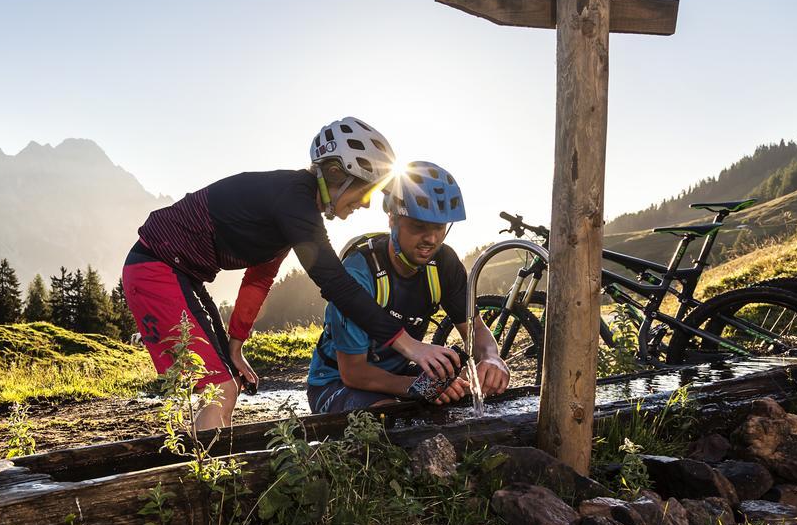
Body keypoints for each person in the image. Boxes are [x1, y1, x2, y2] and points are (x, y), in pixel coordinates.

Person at [123, 118, 462, 430]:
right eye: (367, 191)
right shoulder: (293, 200)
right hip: (157, 269)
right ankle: (206, 484)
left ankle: (213, 474)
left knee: (225, 382)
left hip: (179, 273)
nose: (366, 204)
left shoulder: (288, 210)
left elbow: (259, 278)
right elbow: (334, 281)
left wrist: (236, 346)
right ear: (334, 174)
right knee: (220, 387)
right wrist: (409, 346)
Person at [306, 161, 511, 414]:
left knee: (457, 405)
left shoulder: (444, 264)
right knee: (389, 420)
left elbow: (475, 329)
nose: (431, 239)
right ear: (392, 219)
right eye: (418, 226)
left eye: (439, 227)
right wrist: (417, 387)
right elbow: (354, 373)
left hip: (397, 374)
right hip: (335, 382)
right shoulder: (360, 271)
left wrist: (491, 357)